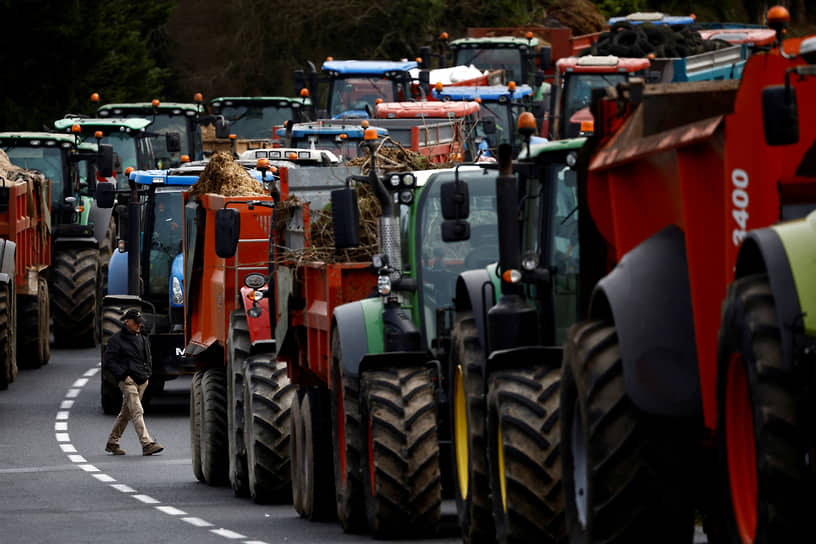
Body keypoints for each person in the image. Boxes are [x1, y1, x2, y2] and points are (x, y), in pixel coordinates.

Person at [104, 309, 164, 456]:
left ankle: (112, 442)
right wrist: (124, 376)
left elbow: (148, 356)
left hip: (142, 381)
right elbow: (108, 361)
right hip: (128, 382)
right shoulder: (115, 340)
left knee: (126, 414)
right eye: (136, 322)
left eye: (140, 322)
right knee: (137, 411)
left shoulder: (142, 337)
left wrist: (148, 374)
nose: (139, 325)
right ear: (127, 321)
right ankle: (147, 444)